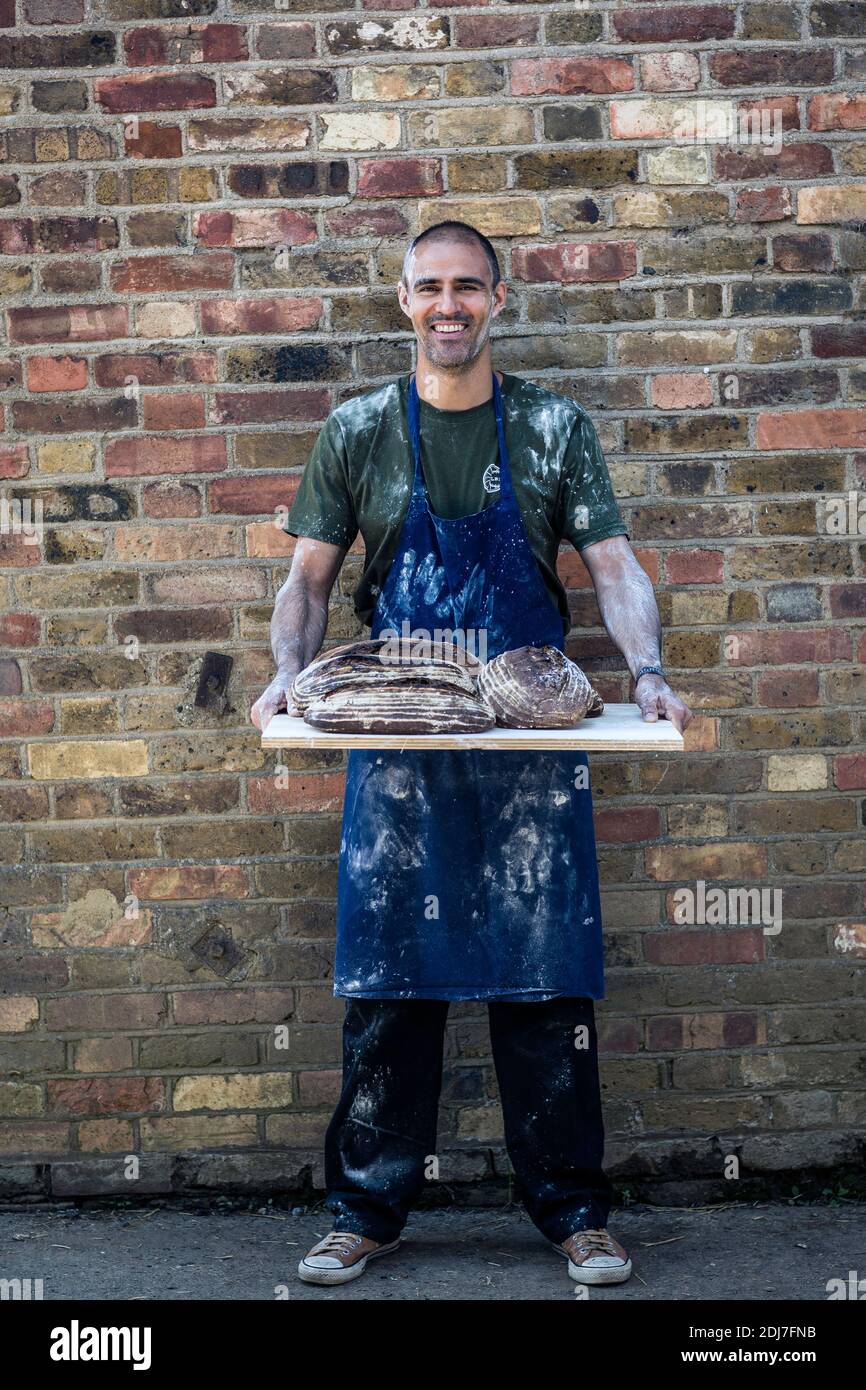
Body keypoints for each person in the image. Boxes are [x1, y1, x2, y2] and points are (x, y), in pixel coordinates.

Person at [251, 220, 693, 1289]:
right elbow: (307, 583)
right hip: (396, 748)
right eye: (427, 289)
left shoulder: (550, 428)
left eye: (466, 288)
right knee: (389, 989)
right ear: (401, 301)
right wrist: (284, 679)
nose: (447, 306)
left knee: (545, 990)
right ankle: (363, 1211)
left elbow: (613, 566)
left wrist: (642, 670)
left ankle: (574, 1214)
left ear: (498, 299)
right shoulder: (357, 429)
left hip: (530, 753)